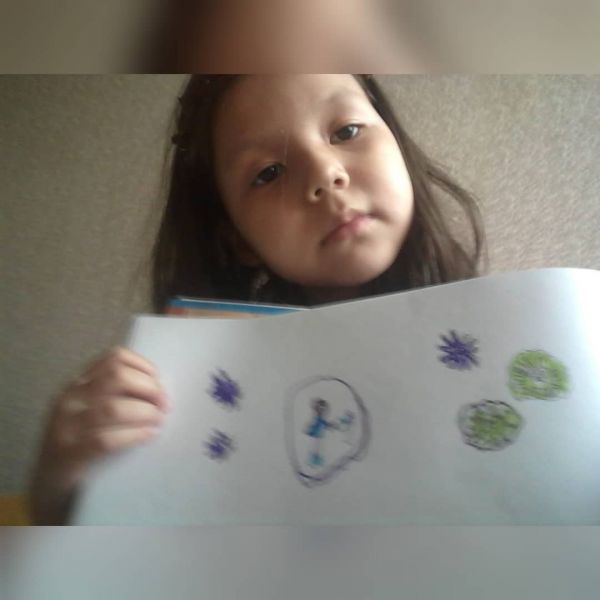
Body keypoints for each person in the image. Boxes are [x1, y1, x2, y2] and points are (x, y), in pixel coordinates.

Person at [29, 74, 485, 524]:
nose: (325, 174)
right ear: (236, 239)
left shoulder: (494, 341)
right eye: (269, 173)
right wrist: (60, 484)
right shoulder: (188, 394)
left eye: (346, 131)